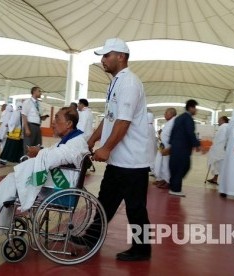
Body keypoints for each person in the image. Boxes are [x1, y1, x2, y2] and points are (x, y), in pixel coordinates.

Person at [71, 38, 151, 261]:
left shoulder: (129, 83)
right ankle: (93, 236)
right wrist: (92, 140)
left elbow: (123, 122)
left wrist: (105, 148)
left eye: (107, 55)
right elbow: (110, 119)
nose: (103, 60)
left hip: (132, 161)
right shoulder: (116, 82)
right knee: (105, 200)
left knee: (136, 208)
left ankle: (142, 249)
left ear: (121, 57)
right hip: (119, 159)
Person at [0, 107, 89, 237]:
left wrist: (38, 152)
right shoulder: (72, 139)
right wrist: (40, 151)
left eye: (57, 118)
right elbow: (55, 153)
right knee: (13, 180)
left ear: (68, 123)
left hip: (61, 188)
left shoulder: (76, 142)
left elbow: (56, 157)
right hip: (59, 182)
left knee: (13, 180)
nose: (53, 122)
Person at [167, 99, 201, 197]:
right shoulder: (188, 119)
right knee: (184, 167)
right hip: (183, 148)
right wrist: (197, 144)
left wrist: (171, 144)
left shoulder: (179, 118)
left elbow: (172, 132)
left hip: (175, 147)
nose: (196, 111)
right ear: (191, 108)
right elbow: (190, 133)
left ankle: (173, 185)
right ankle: (175, 189)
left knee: (175, 167)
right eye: (195, 108)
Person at [153, 108, 177, 189]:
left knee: (167, 164)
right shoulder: (169, 122)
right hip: (163, 146)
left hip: (169, 148)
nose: (164, 115)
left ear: (171, 114)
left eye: (166, 113)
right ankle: (163, 179)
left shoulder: (174, 122)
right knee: (163, 164)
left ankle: (168, 181)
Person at [21, 86, 49, 152]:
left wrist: (42, 117)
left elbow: (37, 115)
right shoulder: (27, 102)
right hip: (30, 126)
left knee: (37, 146)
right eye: (39, 91)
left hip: (37, 126)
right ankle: (26, 160)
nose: (41, 93)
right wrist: (27, 128)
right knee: (28, 145)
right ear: (34, 92)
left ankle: (34, 160)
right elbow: (24, 115)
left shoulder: (38, 104)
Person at [206, 116, 230, 184]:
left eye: (219, 120)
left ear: (222, 120)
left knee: (219, 165)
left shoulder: (224, 127)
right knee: (217, 164)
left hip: (220, 150)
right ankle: (215, 178)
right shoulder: (224, 127)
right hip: (219, 149)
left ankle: (221, 180)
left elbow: (220, 139)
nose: (218, 121)